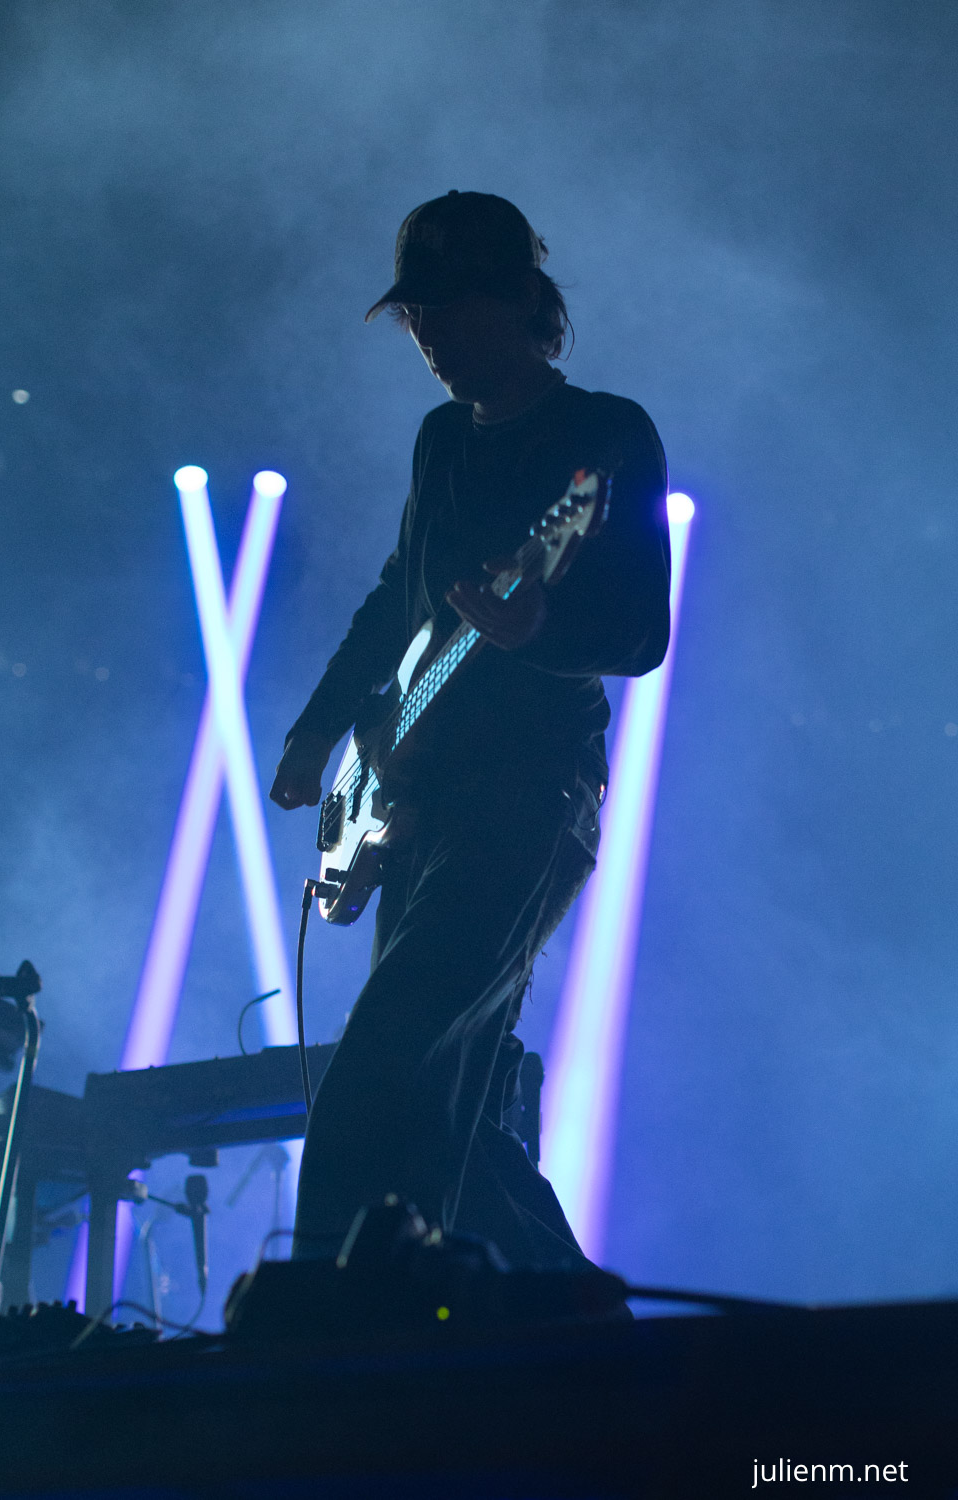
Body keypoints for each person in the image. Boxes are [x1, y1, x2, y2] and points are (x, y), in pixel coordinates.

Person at [270, 190, 671, 1271]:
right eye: (416, 315)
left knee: (385, 1063)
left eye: (449, 308)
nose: (430, 335)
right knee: (452, 1109)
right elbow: (399, 593)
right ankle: (579, 1324)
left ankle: (318, 1322)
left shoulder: (602, 437)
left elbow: (641, 633)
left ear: (519, 302)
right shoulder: (442, 439)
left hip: (527, 798)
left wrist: (541, 627)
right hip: (416, 802)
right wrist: (320, 730)